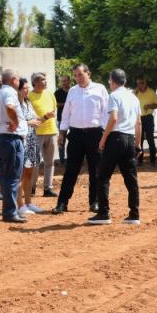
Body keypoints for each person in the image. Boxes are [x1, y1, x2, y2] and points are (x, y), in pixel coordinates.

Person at [53, 64, 108, 214]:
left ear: (88, 74)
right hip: (76, 135)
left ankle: (95, 202)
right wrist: (62, 133)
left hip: (95, 134)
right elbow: (66, 114)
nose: (78, 78)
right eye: (76, 75)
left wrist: (105, 135)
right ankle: (62, 203)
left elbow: (106, 113)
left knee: (95, 170)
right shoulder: (72, 91)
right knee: (71, 170)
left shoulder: (100, 89)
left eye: (80, 75)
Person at [92, 69, 143, 225]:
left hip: (116, 139)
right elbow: (138, 123)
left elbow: (113, 118)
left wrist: (103, 139)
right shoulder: (133, 98)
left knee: (103, 176)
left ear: (112, 81)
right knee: (131, 179)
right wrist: (138, 144)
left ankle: (104, 213)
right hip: (129, 139)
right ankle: (134, 214)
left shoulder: (113, 96)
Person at [0, 69, 26, 223]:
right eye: (18, 80)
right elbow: (10, 107)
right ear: (13, 80)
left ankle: (9, 211)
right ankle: (10, 212)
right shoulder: (9, 92)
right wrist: (16, 122)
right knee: (12, 176)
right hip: (10, 139)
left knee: (5, 176)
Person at [16, 78, 46, 216]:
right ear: (18, 90)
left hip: (32, 141)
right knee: (20, 175)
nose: (27, 90)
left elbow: (36, 120)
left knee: (29, 173)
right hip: (22, 142)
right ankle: (20, 204)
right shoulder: (15, 104)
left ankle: (28, 202)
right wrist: (30, 123)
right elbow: (15, 122)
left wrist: (45, 117)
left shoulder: (28, 103)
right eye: (25, 88)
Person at [26, 72, 58, 196]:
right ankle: (32, 188)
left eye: (45, 79)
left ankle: (48, 188)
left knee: (50, 162)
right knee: (35, 162)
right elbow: (30, 117)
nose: (46, 82)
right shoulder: (29, 97)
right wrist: (44, 117)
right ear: (36, 82)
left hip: (51, 131)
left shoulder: (50, 94)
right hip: (36, 133)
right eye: (43, 80)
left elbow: (54, 109)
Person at [52, 73, 72, 193]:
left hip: (74, 119)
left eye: (66, 81)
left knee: (73, 141)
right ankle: (62, 160)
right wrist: (66, 104)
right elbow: (55, 104)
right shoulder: (57, 93)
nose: (64, 83)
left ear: (69, 81)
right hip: (61, 119)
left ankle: (71, 159)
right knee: (61, 140)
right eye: (62, 81)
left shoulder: (73, 91)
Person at [133, 76, 157, 167]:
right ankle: (139, 160)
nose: (140, 85)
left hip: (148, 118)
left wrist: (149, 106)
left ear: (145, 83)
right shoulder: (135, 93)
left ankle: (153, 160)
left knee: (150, 139)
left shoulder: (151, 92)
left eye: (142, 83)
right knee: (139, 140)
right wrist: (134, 93)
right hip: (138, 118)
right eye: (138, 83)